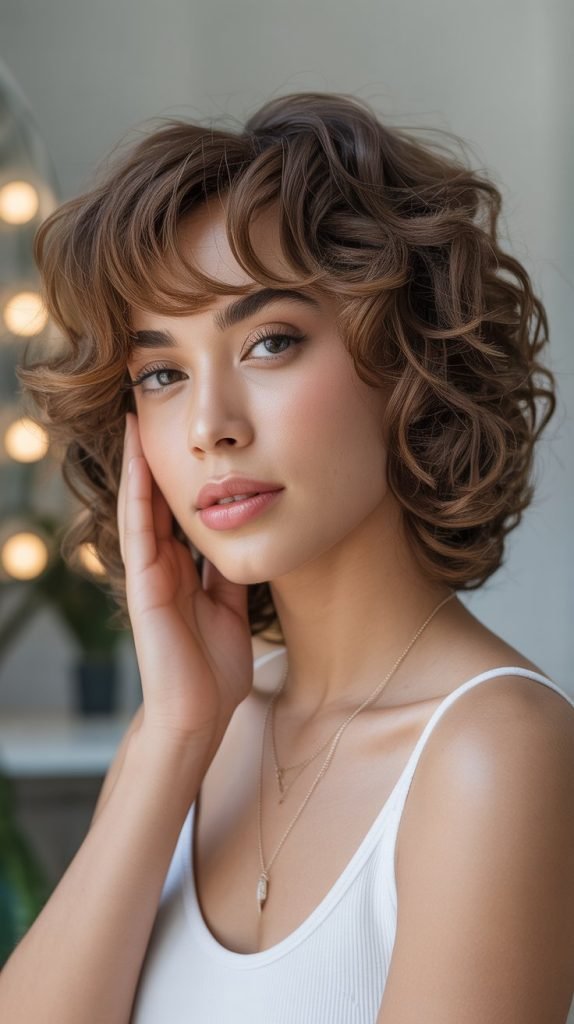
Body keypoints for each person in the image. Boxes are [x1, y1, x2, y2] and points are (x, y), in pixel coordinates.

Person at [1, 91, 573, 1023]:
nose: (209, 426)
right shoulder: (182, 738)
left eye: (270, 343)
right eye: (162, 373)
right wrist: (175, 739)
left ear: (407, 358)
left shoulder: (494, 752)